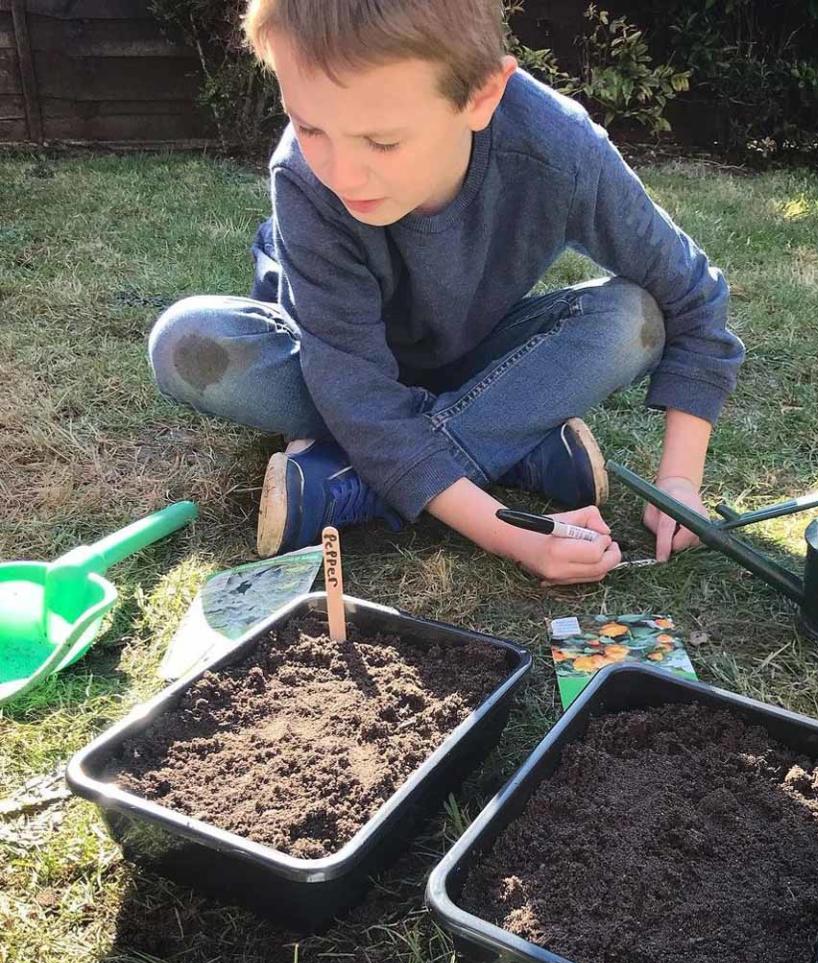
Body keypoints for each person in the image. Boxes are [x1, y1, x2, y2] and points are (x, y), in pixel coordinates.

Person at [147, 0, 744, 586]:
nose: (343, 173)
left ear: (482, 96)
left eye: (382, 142)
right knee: (188, 343)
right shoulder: (305, 179)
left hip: (476, 356)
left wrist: (680, 482)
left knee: (634, 319)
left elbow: (692, 297)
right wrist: (510, 532)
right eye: (308, 127)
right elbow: (351, 383)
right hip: (332, 369)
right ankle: (511, 443)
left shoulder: (560, 148)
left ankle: (358, 478)